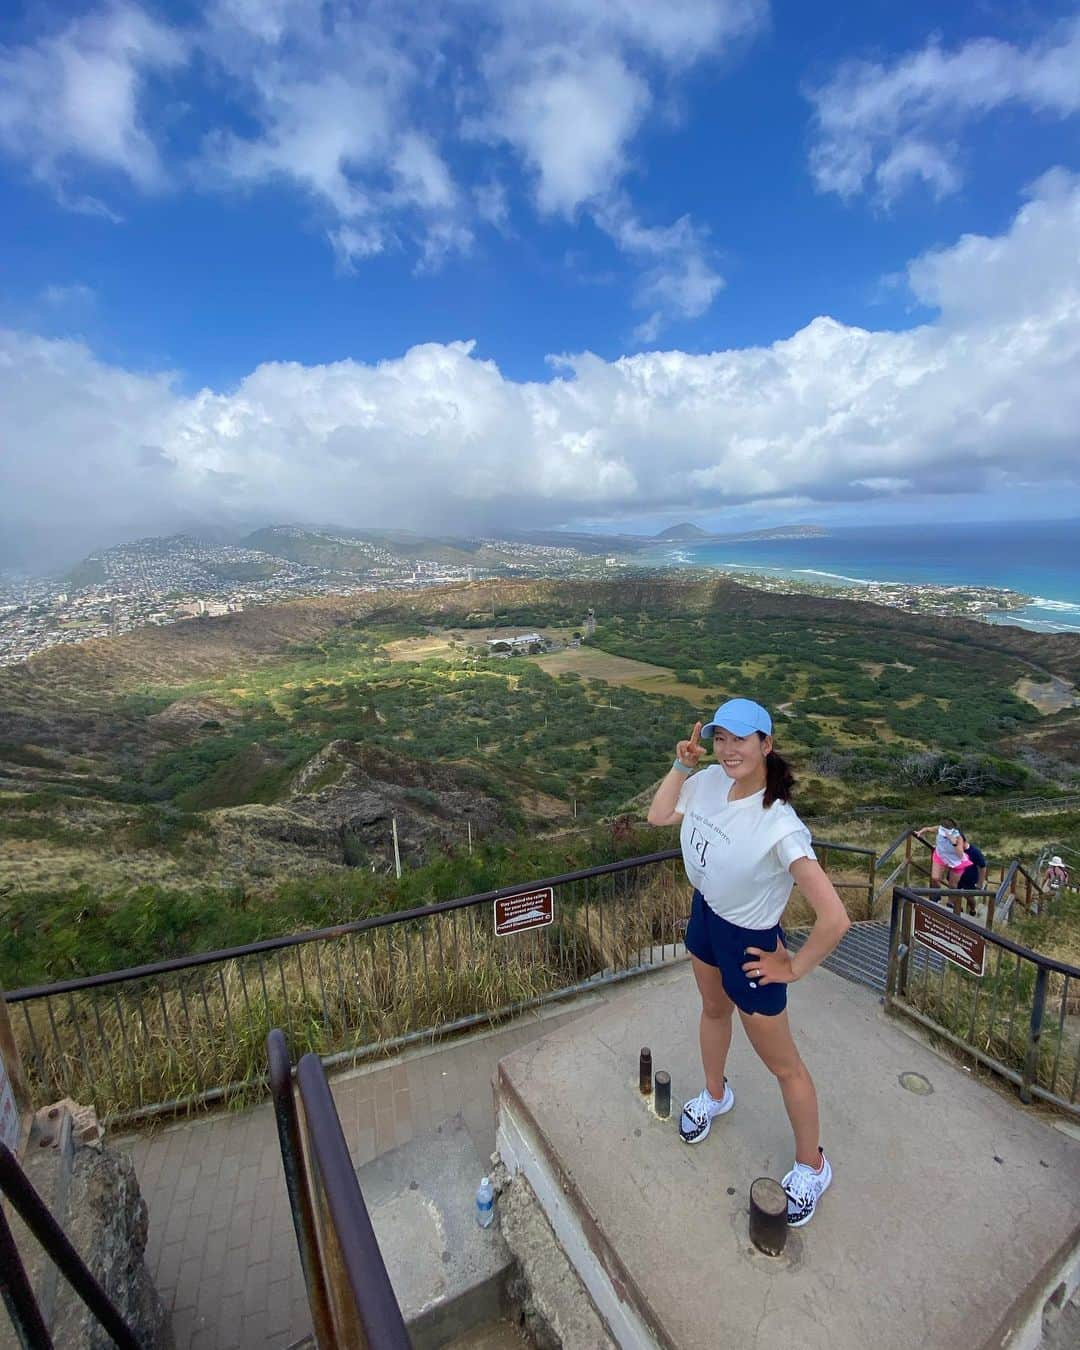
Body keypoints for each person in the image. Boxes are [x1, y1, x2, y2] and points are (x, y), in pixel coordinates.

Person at [647, 697, 851, 1228]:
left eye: (741, 739)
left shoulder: (779, 825)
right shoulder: (708, 781)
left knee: (784, 1065)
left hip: (751, 946)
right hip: (706, 919)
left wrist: (796, 966)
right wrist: (681, 765)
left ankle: (813, 1166)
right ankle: (716, 1095)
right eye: (720, 738)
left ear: (766, 744)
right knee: (713, 1011)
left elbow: (834, 918)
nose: (729, 749)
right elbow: (658, 814)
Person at [914, 819, 970, 888]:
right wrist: (920, 832)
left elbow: (960, 855)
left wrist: (954, 844)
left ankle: (952, 898)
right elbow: (928, 829)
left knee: (953, 886)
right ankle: (937, 895)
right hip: (940, 856)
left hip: (956, 860)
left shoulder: (959, 837)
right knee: (935, 878)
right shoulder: (940, 829)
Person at [953, 834, 987, 917]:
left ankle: (972, 909)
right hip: (957, 877)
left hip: (970, 879)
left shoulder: (975, 852)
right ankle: (958, 911)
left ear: (964, 842)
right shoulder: (955, 849)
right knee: (954, 894)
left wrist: (980, 883)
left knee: (969, 897)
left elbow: (982, 867)